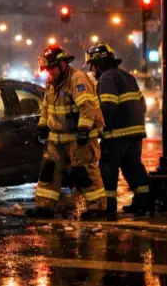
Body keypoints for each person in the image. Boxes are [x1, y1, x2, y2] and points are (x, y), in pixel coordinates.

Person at [26, 44, 108, 219]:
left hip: (78, 139)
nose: (50, 72)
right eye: (47, 69)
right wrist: (42, 127)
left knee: (85, 173)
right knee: (48, 171)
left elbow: (87, 107)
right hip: (57, 139)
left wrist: (84, 130)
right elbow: (47, 107)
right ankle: (45, 207)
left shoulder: (78, 79)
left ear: (63, 64)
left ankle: (97, 208)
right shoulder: (51, 83)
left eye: (52, 68)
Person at [85, 43, 150, 215]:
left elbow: (108, 106)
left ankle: (108, 205)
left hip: (116, 135)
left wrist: (99, 128)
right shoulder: (128, 76)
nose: (92, 70)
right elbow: (142, 104)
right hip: (135, 133)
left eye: (92, 65)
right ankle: (144, 200)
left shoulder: (106, 78)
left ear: (98, 63)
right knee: (133, 167)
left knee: (107, 167)